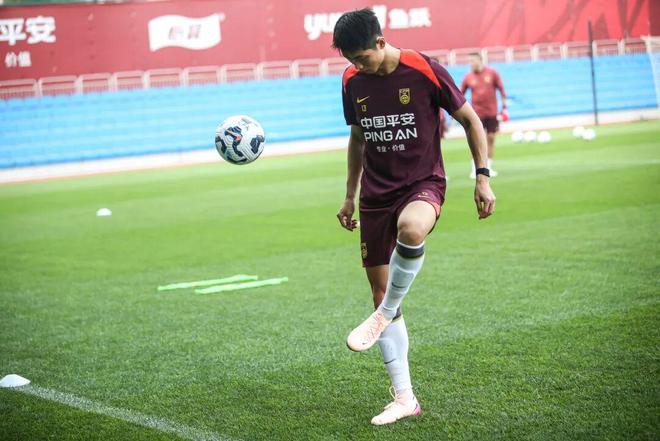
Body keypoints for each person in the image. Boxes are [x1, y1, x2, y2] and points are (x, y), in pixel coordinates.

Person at [333, 8, 496, 426]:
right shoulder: (351, 81)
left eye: (362, 58)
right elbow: (357, 139)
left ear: (381, 43)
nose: (358, 66)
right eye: (351, 61)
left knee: (412, 228)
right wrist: (349, 196)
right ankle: (405, 398)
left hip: (422, 183)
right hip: (374, 195)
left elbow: (470, 120)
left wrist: (482, 177)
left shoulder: (424, 69)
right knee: (379, 292)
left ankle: (386, 311)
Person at [461, 52, 507, 178]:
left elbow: (501, 89)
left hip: (491, 112)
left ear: (480, 60)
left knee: (491, 138)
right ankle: (474, 169)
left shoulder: (492, 73)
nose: (470, 64)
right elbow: (460, 94)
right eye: (469, 61)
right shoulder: (468, 77)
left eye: (472, 61)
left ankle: (489, 167)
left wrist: (504, 108)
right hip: (476, 114)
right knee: (475, 141)